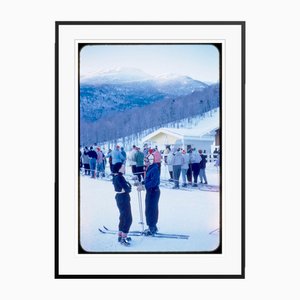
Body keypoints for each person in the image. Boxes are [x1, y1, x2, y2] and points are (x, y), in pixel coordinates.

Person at [112, 162, 133, 246]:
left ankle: (120, 235)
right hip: (123, 199)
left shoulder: (115, 176)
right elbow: (127, 189)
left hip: (120, 198)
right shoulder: (120, 177)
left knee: (122, 216)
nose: (124, 168)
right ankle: (124, 238)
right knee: (128, 218)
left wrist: (126, 188)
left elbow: (124, 188)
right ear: (119, 168)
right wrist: (127, 188)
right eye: (123, 167)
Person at [144, 154, 160, 235]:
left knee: (151, 209)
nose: (145, 163)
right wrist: (142, 183)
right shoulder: (150, 168)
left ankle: (152, 227)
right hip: (150, 191)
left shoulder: (154, 169)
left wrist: (144, 186)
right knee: (149, 209)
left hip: (153, 191)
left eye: (146, 161)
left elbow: (154, 182)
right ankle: (152, 226)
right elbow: (148, 179)